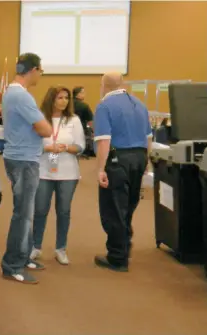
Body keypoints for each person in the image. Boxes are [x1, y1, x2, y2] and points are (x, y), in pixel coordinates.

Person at [0, 53, 53, 284]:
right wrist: (43, 126)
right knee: (23, 214)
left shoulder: (13, 93)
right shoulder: (21, 96)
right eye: (40, 70)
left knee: (25, 212)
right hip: (23, 161)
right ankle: (13, 265)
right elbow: (45, 130)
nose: (40, 75)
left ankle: (23, 257)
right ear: (33, 70)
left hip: (20, 158)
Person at [93, 72, 152, 272]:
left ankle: (117, 257)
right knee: (128, 205)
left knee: (113, 208)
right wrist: (147, 162)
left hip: (118, 160)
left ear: (104, 85)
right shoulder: (140, 105)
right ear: (122, 83)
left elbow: (104, 141)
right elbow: (148, 137)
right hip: (139, 157)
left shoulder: (104, 106)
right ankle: (124, 246)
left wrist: (100, 168)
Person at [30, 86, 85, 265]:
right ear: (51, 99)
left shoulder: (74, 120)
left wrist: (67, 148)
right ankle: (35, 247)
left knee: (63, 211)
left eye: (66, 98)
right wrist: (48, 148)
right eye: (60, 98)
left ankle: (60, 248)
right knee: (40, 210)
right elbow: (31, 145)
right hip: (43, 171)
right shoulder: (40, 119)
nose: (64, 101)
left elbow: (81, 146)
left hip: (68, 173)